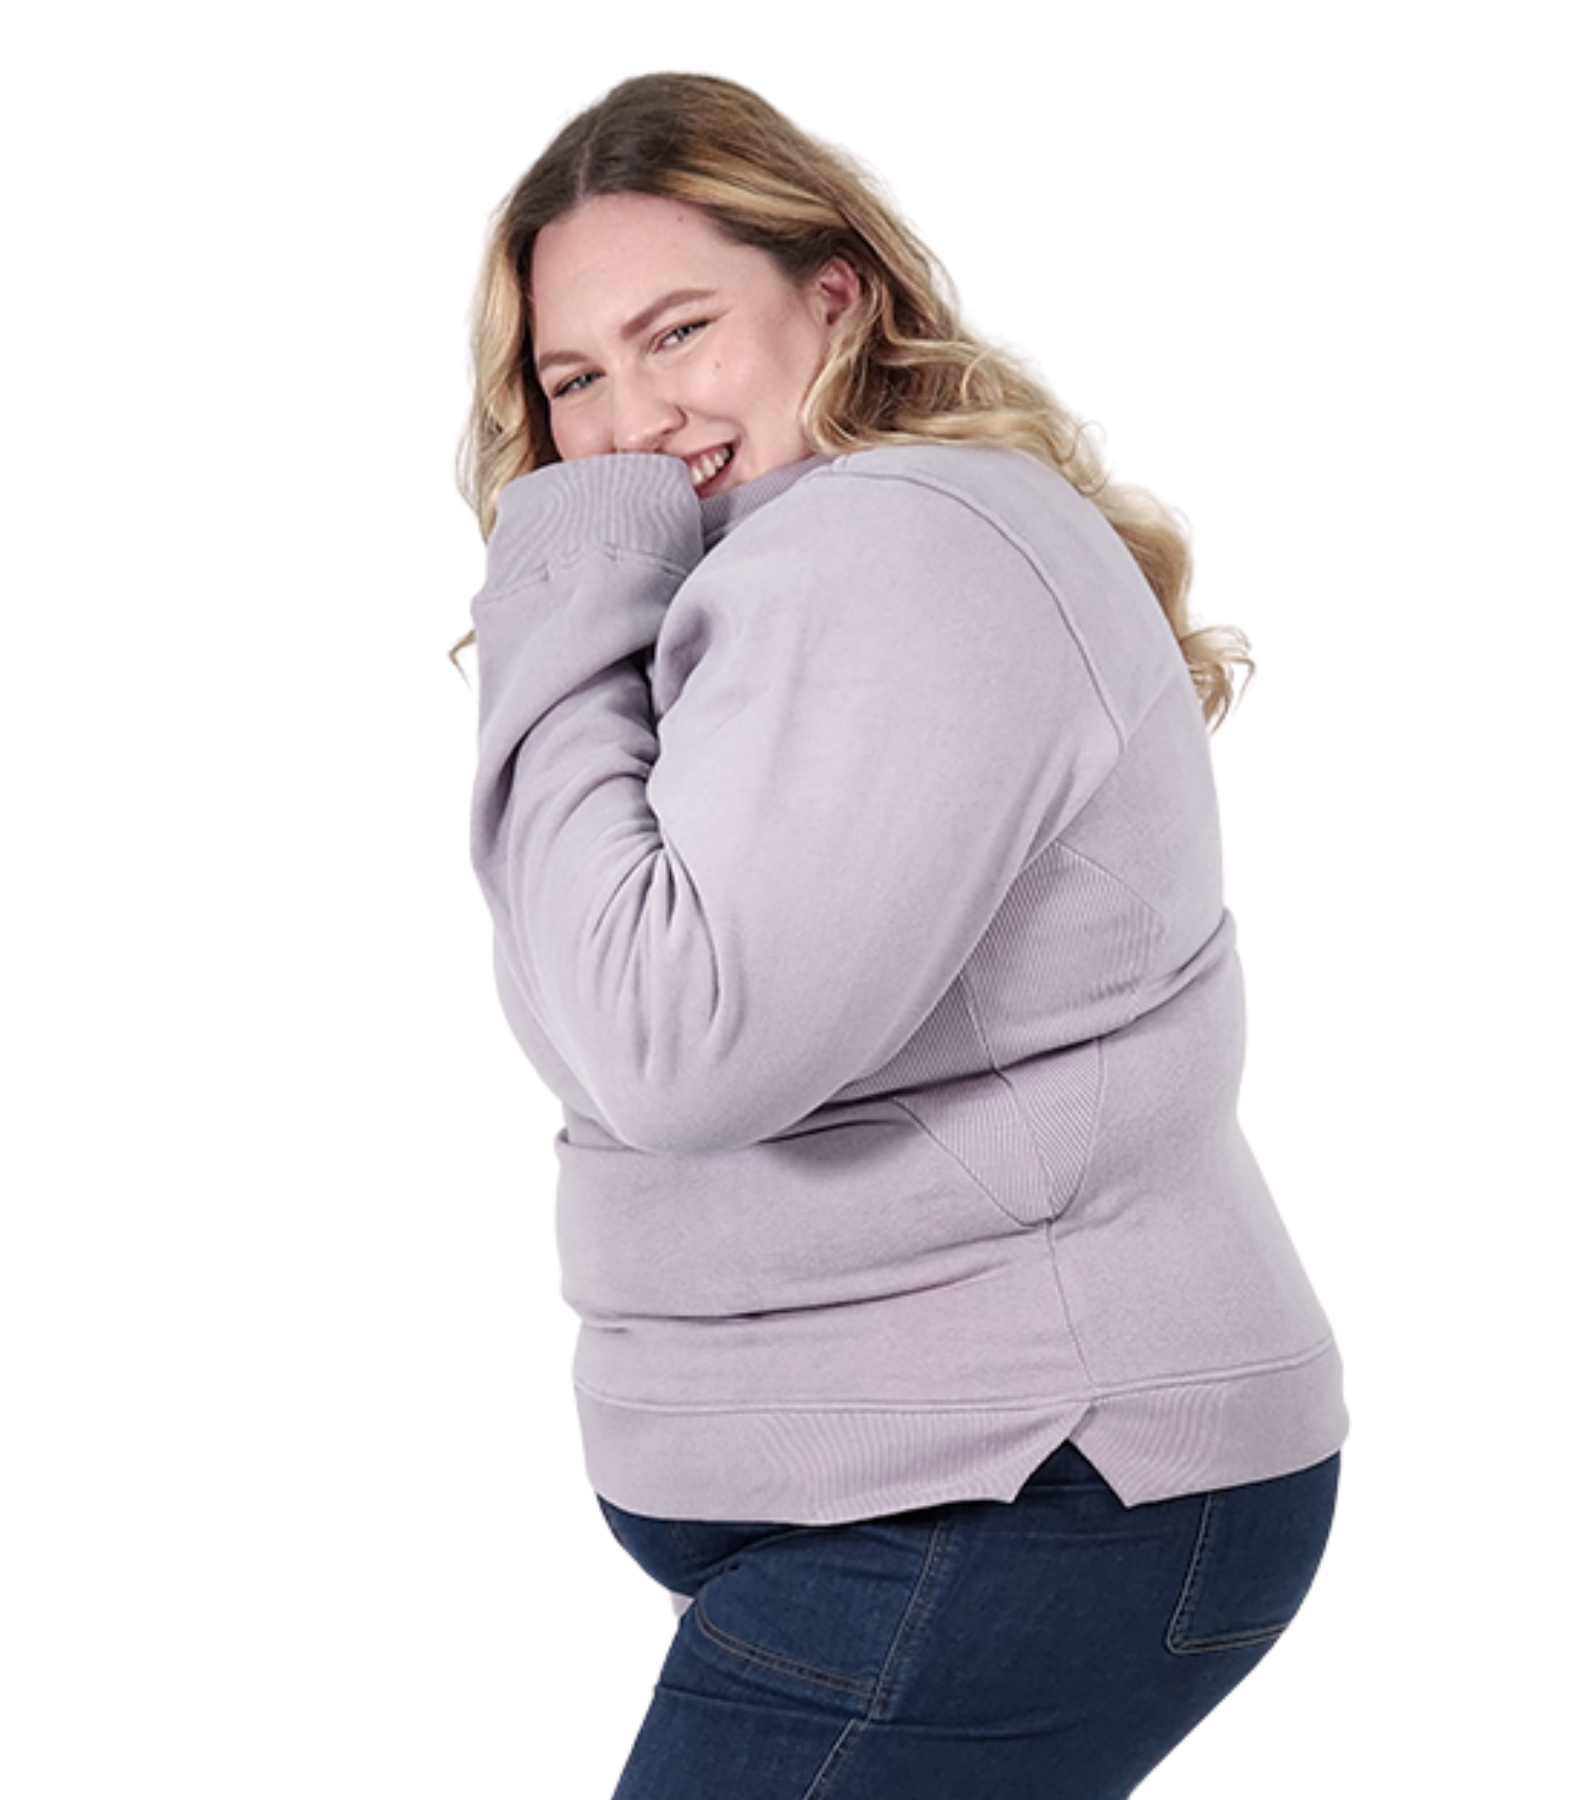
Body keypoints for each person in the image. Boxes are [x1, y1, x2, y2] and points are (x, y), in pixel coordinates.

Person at [459, 71, 1346, 1800]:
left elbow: (671, 1050)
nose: (634, 420)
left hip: (1031, 1485)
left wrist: (563, 584)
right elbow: (595, 979)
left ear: (834, 294)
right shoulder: (774, 574)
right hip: (937, 1483)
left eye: (680, 332)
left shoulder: (897, 549)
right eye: (574, 382)